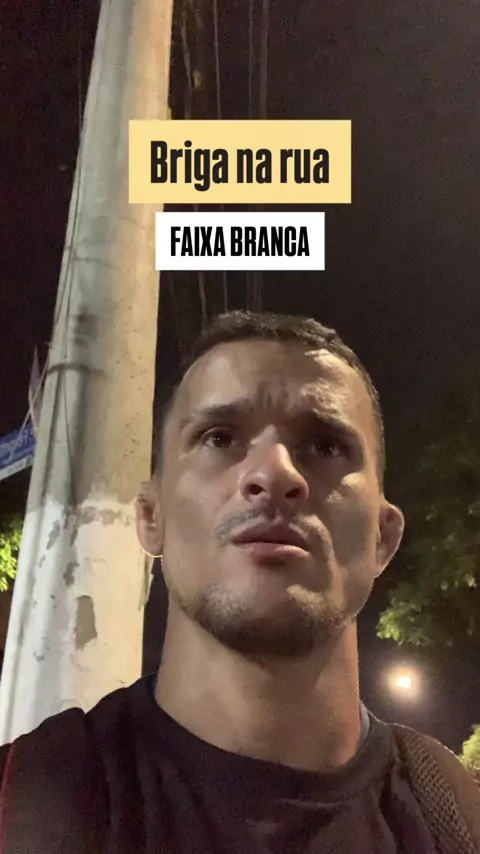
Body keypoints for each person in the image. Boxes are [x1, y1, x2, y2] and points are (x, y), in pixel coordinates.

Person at [0, 310, 479, 853]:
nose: (274, 473)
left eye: (325, 446)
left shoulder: (458, 821)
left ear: (382, 536)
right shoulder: (20, 806)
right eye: (220, 437)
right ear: (151, 516)